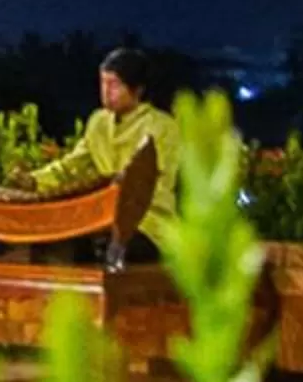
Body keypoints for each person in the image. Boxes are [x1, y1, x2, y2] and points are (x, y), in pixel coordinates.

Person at [18, 48, 182, 254]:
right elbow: (72, 165)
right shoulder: (98, 122)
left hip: (148, 222)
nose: (106, 91)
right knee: (51, 242)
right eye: (103, 82)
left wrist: (118, 192)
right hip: (100, 218)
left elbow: (157, 180)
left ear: (138, 90)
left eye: (114, 84)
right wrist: (34, 180)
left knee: (108, 247)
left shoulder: (162, 126)